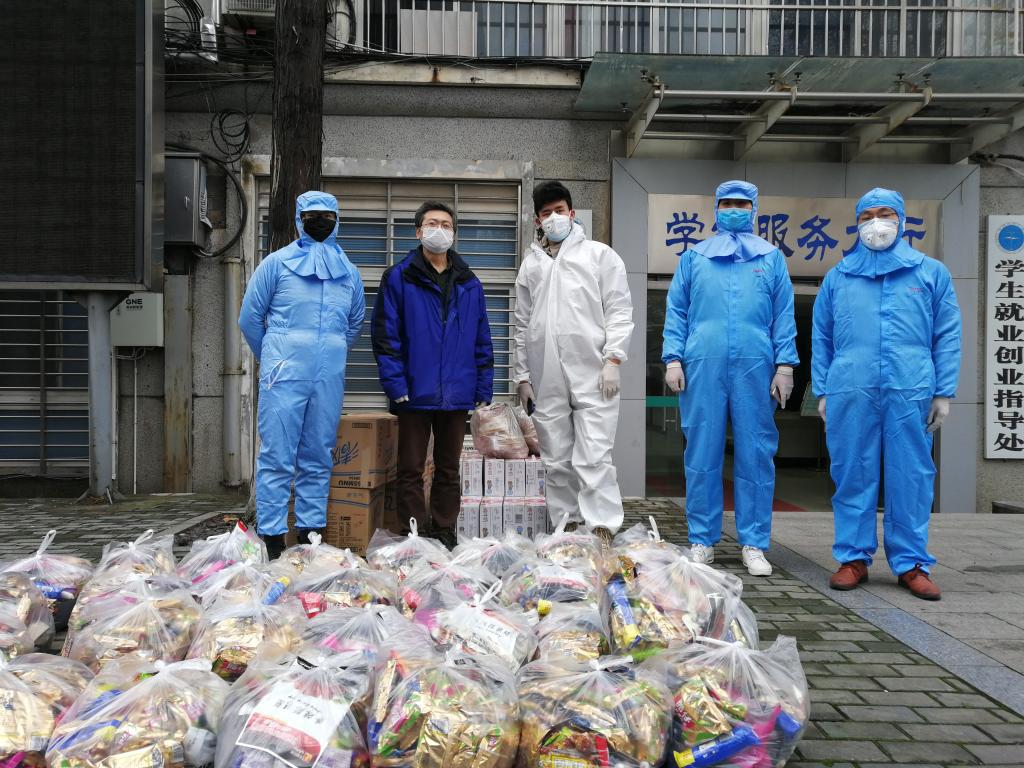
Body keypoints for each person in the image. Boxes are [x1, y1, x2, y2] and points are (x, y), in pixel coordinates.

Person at [812, 188, 960, 600]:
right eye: (868, 216)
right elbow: (821, 336)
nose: (877, 223)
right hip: (851, 387)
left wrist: (943, 392)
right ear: (857, 222)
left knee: (910, 474)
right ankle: (853, 558)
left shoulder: (930, 273)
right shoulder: (839, 276)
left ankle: (911, 563)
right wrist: (823, 389)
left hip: (910, 387)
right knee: (851, 471)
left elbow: (947, 334)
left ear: (902, 220)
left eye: (885, 214)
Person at [661, 180, 798, 577]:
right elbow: (677, 309)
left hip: (756, 363)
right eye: (727, 203)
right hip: (702, 362)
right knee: (701, 451)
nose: (734, 209)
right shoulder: (695, 257)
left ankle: (753, 543)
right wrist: (673, 358)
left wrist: (785, 364)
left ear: (754, 209)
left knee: (756, 451)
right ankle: (702, 540)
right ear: (716, 209)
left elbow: (783, 313)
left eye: (741, 203)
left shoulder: (771, 258)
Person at [239, 191, 365, 559]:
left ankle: (312, 536)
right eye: (312, 216)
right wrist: (274, 357)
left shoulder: (349, 272)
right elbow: (249, 318)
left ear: (337, 221)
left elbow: (355, 322)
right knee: (277, 454)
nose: (320, 221)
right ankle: (273, 539)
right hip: (283, 374)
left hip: (328, 375)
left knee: (318, 453)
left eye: (327, 216)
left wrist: (331, 353)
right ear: (299, 219)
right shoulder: (276, 265)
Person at [514, 181, 634, 543]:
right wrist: (523, 376)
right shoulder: (531, 265)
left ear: (572, 213)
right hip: (545, 374)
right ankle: (565, 528)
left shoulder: (599, 256)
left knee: (594, 454)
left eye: (560, 210)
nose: (554, 218)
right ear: (537, 220)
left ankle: (602, 528)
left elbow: (619, 309)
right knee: (556, 457)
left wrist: (614, 358)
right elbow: (522, 324)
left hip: (594, 372)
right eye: (546, 213)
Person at [372, 201, 494, 547]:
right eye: (432, 223)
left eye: (446, 224)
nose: (439, 230)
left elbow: (482, 337)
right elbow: (385, 335)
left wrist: (483, 386)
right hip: (413, 389)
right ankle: (413, 533)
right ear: (418, 231)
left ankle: (443, 530)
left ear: (454, 233)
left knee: (448, 468)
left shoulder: (469, 283)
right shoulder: (398, 278)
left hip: (457, 392)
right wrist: (395, 383)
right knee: (410, 468)